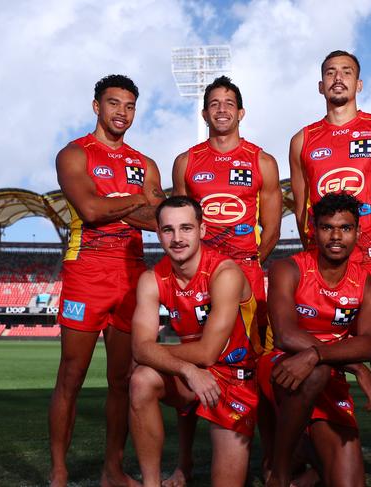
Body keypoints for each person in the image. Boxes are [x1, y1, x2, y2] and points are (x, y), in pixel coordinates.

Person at [289, 50, 371, 485]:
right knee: (313, 360)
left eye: (347, 73)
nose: (338, 79)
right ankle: (307, 453)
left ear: (359, 84)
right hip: (320, 270)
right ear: (320, 85)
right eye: (330, 73)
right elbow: (304, 210)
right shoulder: (302, 139)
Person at [50, 74, 165, 487]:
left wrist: (116, 202)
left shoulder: (145, 164)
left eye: (130, 106)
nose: (122, 113)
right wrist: (137, 200)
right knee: (71, 376)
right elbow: (91, 210)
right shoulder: (74, 154)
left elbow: (159, 221)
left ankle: (112, 470)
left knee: (122, 380)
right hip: (86, 272)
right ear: (96, 106)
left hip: (131, 274)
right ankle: (59, 473)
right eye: (114, 103)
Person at [171, 75, 281, 484]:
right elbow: (179, 218)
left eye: (229, 102)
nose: (221, 109)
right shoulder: (186, 162)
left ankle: (270, 461)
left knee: (257, 367)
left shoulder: (262, 161)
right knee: (190, 363)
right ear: (204, 113)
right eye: (214, 103)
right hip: (196, 282)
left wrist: (241, 266)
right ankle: (184, 462)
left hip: (247, 277)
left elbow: (270, 228)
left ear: (241, 112)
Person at [128, 196, 259, 487]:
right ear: (158, 233)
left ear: (202, 230)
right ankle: (152, 484)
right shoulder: (152, 279)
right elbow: (139, 347)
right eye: (168, 230)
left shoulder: (225, 273)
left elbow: (208, 352)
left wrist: (155, 353)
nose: (177, 238)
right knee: (141, 380)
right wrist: (187, 370)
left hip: (235, 379)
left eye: (186, 228)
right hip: (193, 375)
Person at [261, 193, 371, 487]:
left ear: (357, 232)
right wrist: (354, 366)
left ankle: (309, 467)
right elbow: (284, 335)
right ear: (314, 230)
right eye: (327, 227)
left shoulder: (369, 286)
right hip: (281, 370)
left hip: (329, 374)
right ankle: (279, 474)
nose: (336, 236)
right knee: (314, 372)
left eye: (345, 227)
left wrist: (317, 354)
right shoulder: (287, 269)